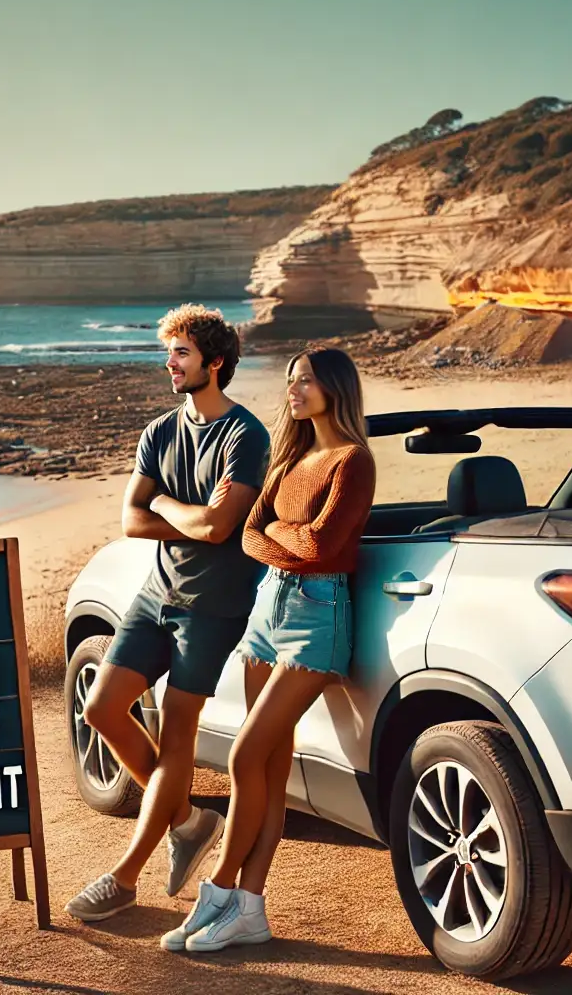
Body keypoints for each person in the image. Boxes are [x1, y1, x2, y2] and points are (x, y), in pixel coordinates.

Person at [164, 345, 375, 953]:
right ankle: (252, 910)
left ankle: (221, 888)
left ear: (334, 387)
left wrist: (282, 536)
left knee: (242, 757)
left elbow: (321, 546)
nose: (294, 389)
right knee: (269, 770)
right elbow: (253, 539)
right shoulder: (290, 458)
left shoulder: (351, 461)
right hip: (268, 610)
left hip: (316, 616)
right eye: (290, 380)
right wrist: (288, 537)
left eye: (306, 380)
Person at [64, 304, 271, 922]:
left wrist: (167, 504)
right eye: (169, 352)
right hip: (157, 595)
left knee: (178, 733)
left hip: (214, 607)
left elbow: (218, 526)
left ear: (215, 363)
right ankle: (188, 818)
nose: (169, 363)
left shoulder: (245, 436)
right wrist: (186, 513)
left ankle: (125, 878)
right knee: (101, 707)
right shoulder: (158, 431)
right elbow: (132, 520)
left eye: (180, 353)